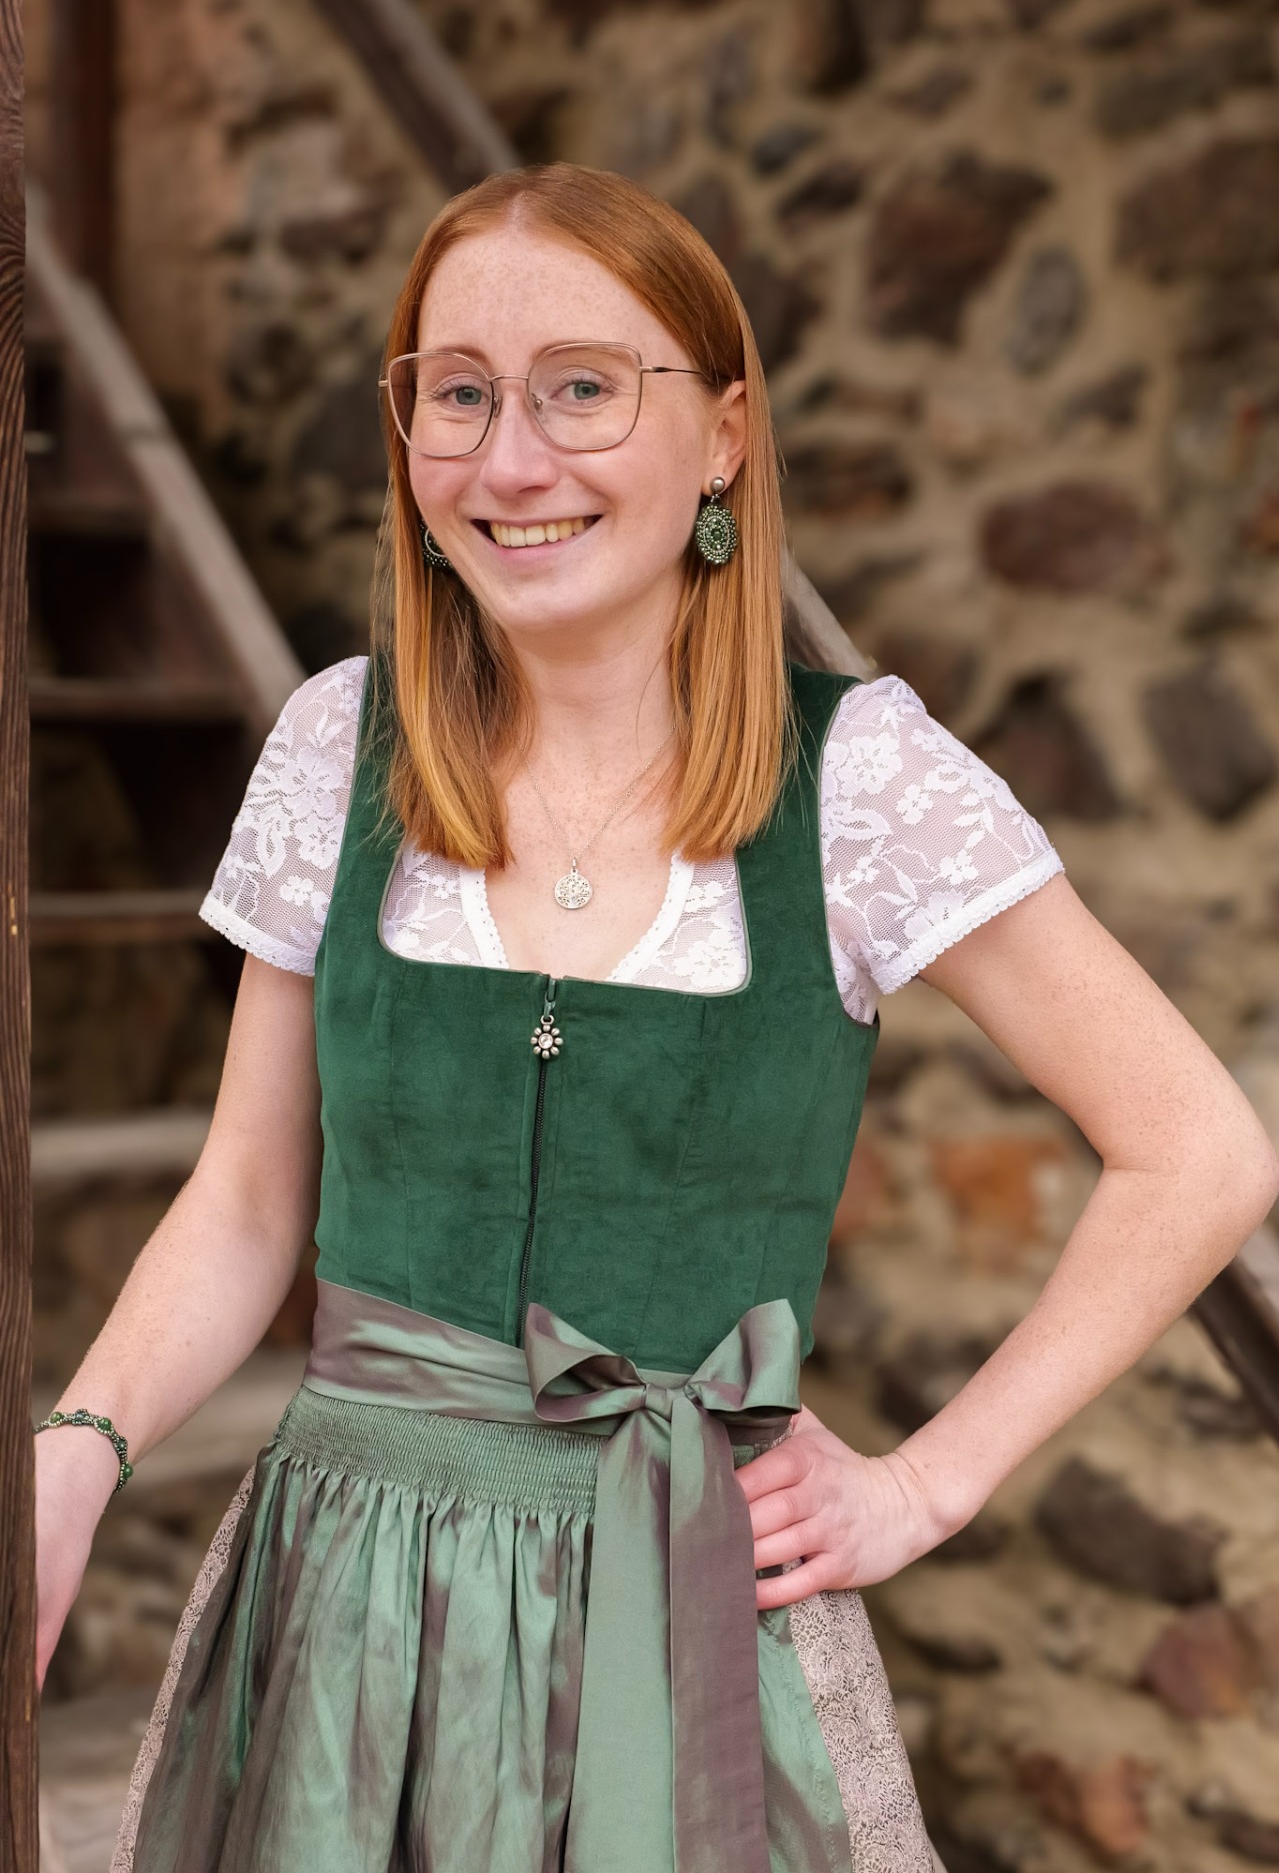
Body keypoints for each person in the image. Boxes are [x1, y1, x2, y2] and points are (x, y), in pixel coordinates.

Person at [36, 162, 1279, 1873]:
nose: (509, 461)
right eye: (457, 394)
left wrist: (925, 1485)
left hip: (695, 1603)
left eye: (583, 388)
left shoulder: (864, 782)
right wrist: (78, 1449)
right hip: (347, 1611)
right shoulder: (340, 745)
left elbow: (1197, 1150)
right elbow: (250, 1199)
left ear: (723, 435)